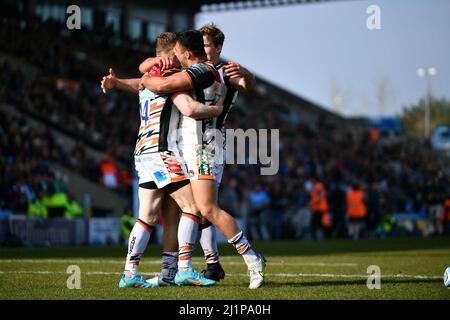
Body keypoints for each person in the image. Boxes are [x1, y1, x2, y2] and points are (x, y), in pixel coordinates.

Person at [140, 30, 266, 289]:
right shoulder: (217, 71)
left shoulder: (202, 71)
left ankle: (252, 258)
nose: (173, 55)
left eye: (177, 51)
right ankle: (181, 269)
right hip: (194, 146)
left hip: (203, 147)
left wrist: (147, 79)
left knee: (206, 208)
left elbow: (163, 87)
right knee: (190, 208)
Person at [101, 32, 223, 288]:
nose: (180, 58)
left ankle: (131, 273)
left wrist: (116, 82)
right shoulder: (169, 78)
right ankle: (184, 269)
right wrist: (213, 110)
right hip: (162, 151)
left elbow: (138, 80)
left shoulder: (149, 79)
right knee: (194, 207)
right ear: (169, 57)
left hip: (142, 153)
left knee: (148, 217)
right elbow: (188, 108)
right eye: (176, 54)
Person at [309, 176, 328, 240]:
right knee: (318, 224)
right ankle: (319, 237)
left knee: (317, 224)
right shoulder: (317, 186)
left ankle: (318, 237)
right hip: (319, 208)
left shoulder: (318, 187)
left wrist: (312, 202)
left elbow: (320, 197)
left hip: (319, 208)